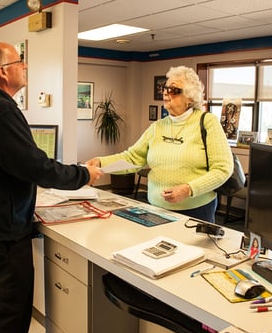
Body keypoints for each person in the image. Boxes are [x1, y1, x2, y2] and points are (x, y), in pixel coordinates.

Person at [0, 41, 103, 333]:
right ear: (3, 71)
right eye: (20, 62)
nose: (26, 66)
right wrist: (83, 175)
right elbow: (35, 167)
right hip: (0, 236)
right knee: (10, 314)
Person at [86, 65, 233, 222]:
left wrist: (188, 189)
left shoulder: (208, 122)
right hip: (156, 208)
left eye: (174, 90)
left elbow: (223, 169)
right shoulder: (158, 126)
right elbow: (133, 157)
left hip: (196, 210)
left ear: (191, 98)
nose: (166, 93)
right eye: (165, 88)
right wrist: (101, 162)